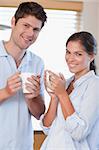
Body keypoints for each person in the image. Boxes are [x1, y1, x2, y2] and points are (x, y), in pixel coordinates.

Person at [40, 31, 99, 150]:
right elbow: (47, 128)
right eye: (68, 52)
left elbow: (79, 132)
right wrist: (54, 97)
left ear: (91, 56)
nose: (70, 59)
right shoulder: (65, 84)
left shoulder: (95, 85)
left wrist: (62, 94)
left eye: (78, 54)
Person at [0, 2, 47, 150]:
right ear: (13, 22)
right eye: (26, 25)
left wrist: (32, 98)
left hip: (23, 145)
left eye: (35, 29)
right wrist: (6, 92)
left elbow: (39, 113)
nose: (30, 34)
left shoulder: (37, 62)